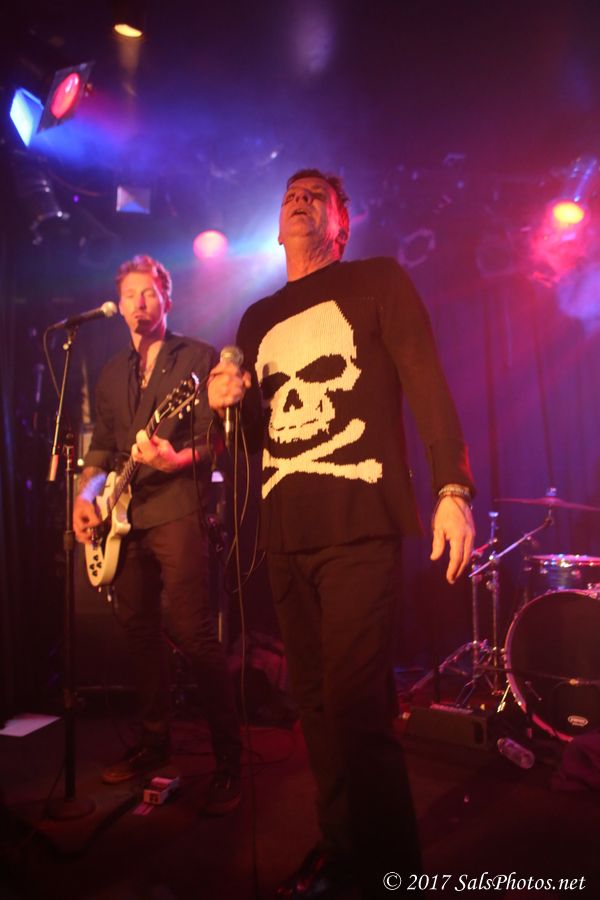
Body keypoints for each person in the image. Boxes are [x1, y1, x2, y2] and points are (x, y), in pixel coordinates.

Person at [208, 170, 476, 897]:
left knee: (358, 707)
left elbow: (426, 381)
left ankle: (393, 873)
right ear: (276, 227)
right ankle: (343, 855)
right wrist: (227, 406)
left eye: (315, 195)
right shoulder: (255, 321)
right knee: (317, 710)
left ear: (342, 223)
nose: (299, 200)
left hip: (360, 525)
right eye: (289, 195)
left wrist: (453, 490)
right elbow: (257, 439)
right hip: (285, 536)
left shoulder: (377, 281)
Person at [73, 254, 241, 814]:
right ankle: (154, 742)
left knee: (193, 633)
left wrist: (175, 460)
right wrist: (85, 497)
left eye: (148, 293)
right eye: (130, 295)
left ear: (167, 298)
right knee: (139, 631)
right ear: (119, 305)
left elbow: (215, 440)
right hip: (124, 519)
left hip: (176, 508)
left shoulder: (195, 357)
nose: (139, 304)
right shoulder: (109, 373)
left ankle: (229, 757)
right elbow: (102, 450)